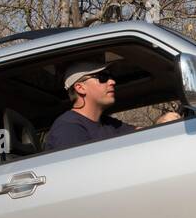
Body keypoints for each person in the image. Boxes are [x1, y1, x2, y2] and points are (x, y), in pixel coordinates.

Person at [43, 58, 181, 152]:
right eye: (102, 77)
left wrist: (161, 123)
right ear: (80, 88)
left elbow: (142, 134)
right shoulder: (68, 128)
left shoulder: (108, 123)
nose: (112, 81)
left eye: (110, 76)